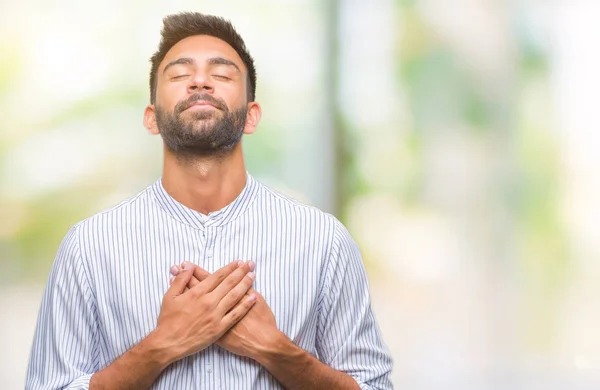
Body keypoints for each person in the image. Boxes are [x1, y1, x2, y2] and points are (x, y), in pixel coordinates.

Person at [26, 11, 393, 390]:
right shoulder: (88, 247)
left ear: (252, 116)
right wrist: (160, 345)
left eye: (221, 74)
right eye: (180, 74)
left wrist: (277, 350)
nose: (200, 81)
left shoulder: (323, 241)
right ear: (151, 118)